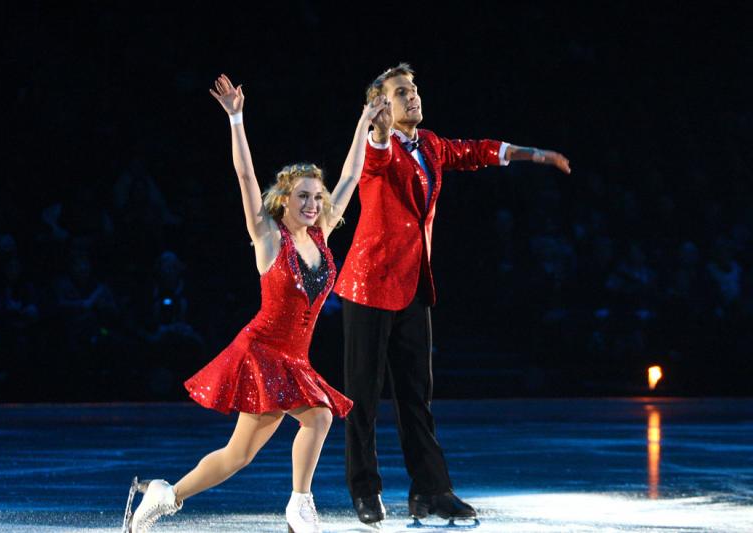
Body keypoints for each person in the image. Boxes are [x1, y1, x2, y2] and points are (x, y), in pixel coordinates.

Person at [123, 74, 387, 533]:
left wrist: (364, 122)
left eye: (316, 197)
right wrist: (236, 119)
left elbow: (349, 177)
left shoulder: (321, 236)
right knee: (319, 416)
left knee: (238, 455)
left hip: (294, 360)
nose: (312, 204)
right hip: (262, 353)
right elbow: (245, 177)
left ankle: (166, 495)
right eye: (303, 196)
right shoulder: (269, 237)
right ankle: (300, 505)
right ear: (284, 199)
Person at [334, 63, 571, 526]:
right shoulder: (373, 147)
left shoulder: (430, 144)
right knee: (363, 396)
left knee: (416, 397)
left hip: (413, 285)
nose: (413, 96)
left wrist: (533, 154)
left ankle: (432, 491)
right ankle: (365, 489)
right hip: (369, 285)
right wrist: (377, 131)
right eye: (401, 93)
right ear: (380, 106)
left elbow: (475, 151)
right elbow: (377, 159)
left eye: (414, 89)